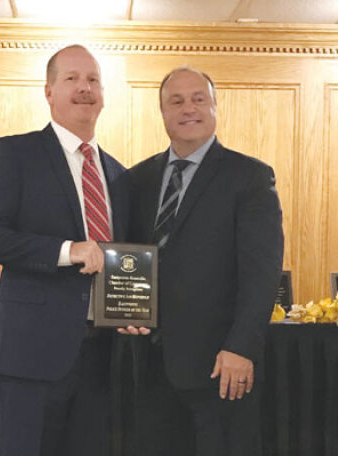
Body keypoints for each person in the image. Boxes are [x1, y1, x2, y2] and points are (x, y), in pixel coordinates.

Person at [0, 45, 129, 456]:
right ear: (49, 91)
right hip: (29, 358)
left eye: (93, 79)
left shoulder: (119, 174)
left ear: (104, 93)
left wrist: (135, 307)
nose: (84, 88)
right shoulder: (16, 152)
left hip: (101, 360)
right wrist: (66, 250)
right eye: (72, 78)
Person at [119, 66, 284, 456]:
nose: (188, 108)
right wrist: (120, 309)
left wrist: (242, 348)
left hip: (220, 365)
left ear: (214, 107)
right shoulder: (136, 180)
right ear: (162, 112)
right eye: (176, 101)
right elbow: (127, 259)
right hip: (148, 366)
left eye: (198, 99)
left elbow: (262, 272)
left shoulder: (250, 177)